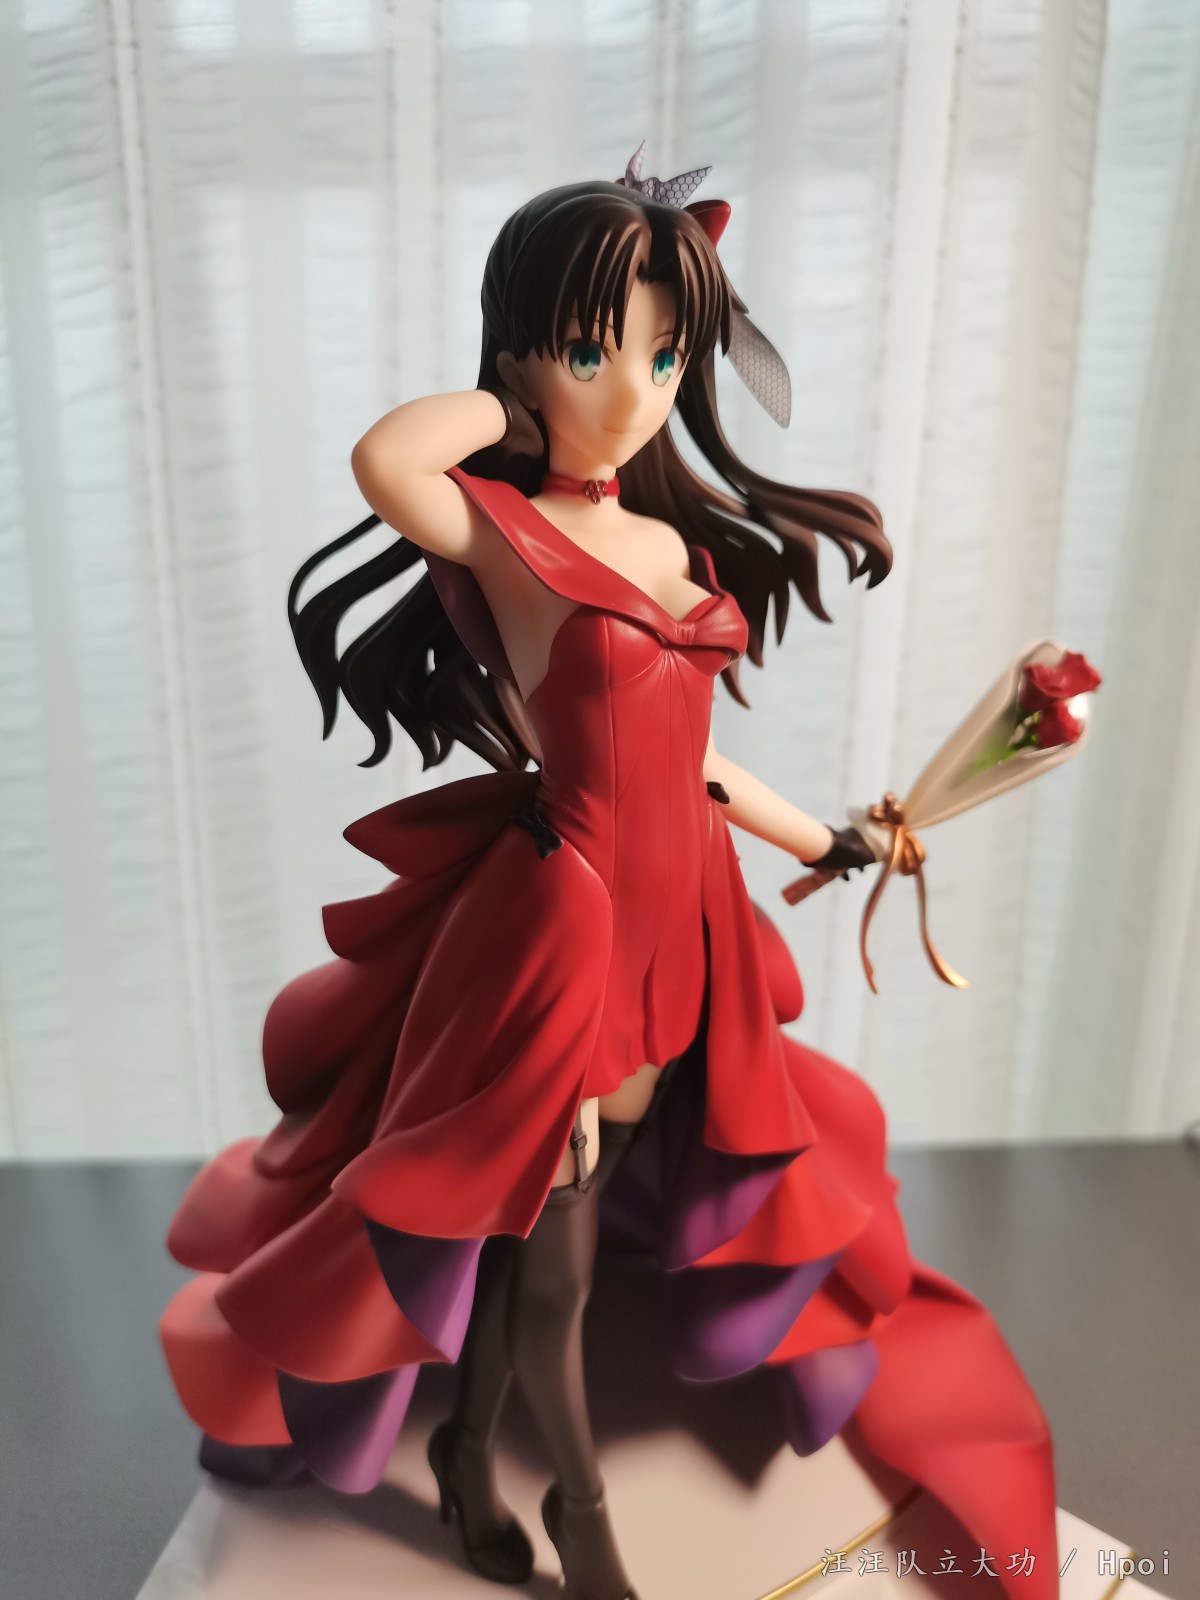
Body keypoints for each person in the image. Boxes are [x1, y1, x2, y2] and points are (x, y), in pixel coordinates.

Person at [159, 152, 1059, 1600]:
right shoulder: (508, 538)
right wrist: (509, 402)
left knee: (543, 1253)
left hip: (681, 931)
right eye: (592, 350)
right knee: (556, 1269)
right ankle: (580, 1518)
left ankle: (467, 1451)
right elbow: (390, 462)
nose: (634, 391)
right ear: (524, 355)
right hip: (565, 937)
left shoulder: (665, 545)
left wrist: (831, 839)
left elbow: (693, 763)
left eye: (663, 354)